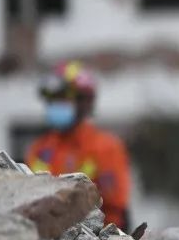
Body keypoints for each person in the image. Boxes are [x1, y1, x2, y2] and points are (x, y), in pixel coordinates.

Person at [26, 61, 132, 229]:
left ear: (85, 102)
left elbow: (115, 209)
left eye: (62, 99)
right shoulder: (40, 149)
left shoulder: (106, 148)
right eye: (52, 100)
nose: (55, 105)